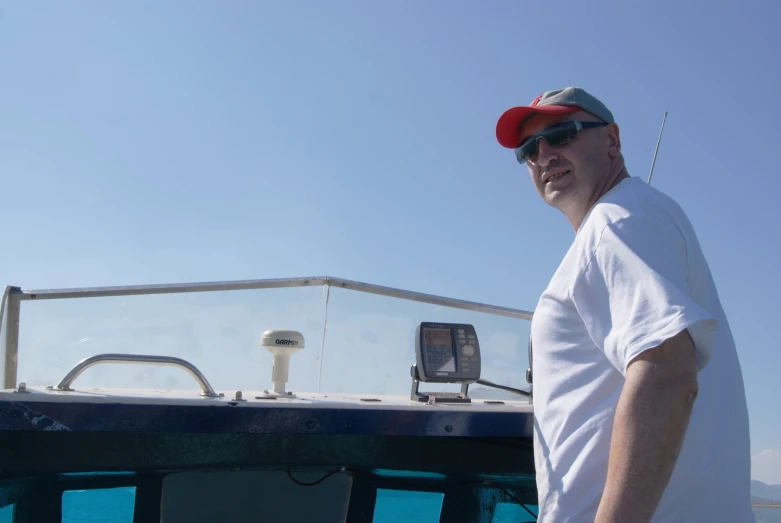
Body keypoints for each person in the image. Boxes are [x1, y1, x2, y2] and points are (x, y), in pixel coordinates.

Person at [495, 87, 755, 522]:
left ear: (612, 140)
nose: (543, 156)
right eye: (527, 148)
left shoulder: (617, 222)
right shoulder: (638, 216)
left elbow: (668, 375)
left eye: (561, 134)